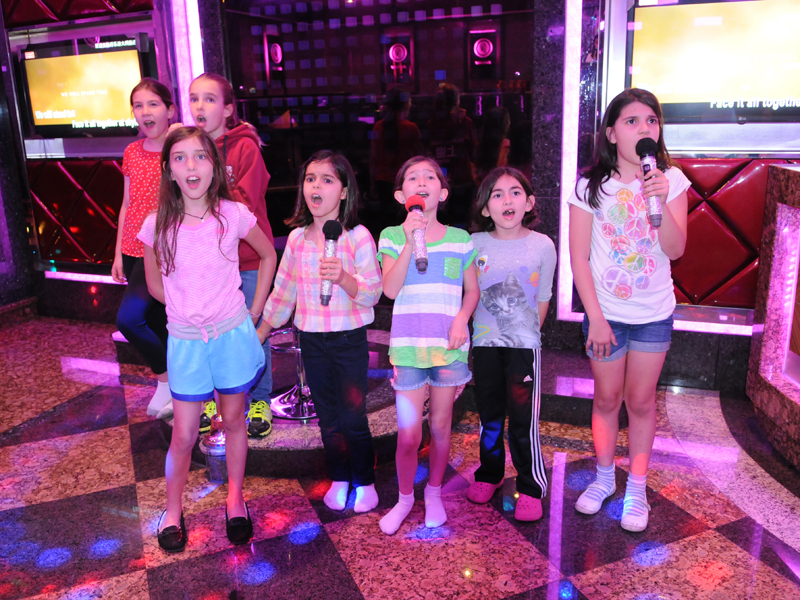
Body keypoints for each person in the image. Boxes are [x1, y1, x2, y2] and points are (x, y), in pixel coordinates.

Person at [138, 127, 277, 552]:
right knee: (183, 434)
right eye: (180, 158)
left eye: (200, 156)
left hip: (231, 335)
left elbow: (268, 253)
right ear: (169, 170)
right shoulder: (156, 225)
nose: (191, 166)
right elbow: (156, 286)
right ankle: (172, 511)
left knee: (234, 420)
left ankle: (235, 500)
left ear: (214, 166)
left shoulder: (232, 214)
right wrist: (189, 307)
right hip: (186, 341)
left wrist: (254, 310)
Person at [567, 89, 689, 532]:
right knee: (606, 399)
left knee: (640, 401)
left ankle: (636, 488)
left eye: (651, 121)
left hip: (653, 313)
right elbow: (579, 257)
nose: (644, 129)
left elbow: (675, 249)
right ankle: (604, 478)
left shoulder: (671, 180)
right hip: (607, 315)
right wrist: (596, 318)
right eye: (632, 121)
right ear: (611, 133)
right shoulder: (590, 186)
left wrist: (659, 196)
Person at [257, 150, 382, 514]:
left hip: (348, 340)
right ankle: (339, 478)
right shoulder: (297, 239)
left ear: (343, 192)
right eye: (311, 179)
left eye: (327, 180)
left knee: (353, 417)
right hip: (311, 341)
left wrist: (343, 277)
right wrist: (261, 331)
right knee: (327, 418)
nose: (316, 186)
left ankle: (365, 481)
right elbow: (283, 291)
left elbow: (373, 292)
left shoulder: (357, 236)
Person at [377, 156, 480, 535]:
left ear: (444, 192)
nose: (422, 182)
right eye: (412, 177)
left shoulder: (460, 239)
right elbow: (390, 289)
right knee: (409, 434)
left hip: (448, 350)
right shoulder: (391, 236)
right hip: (408, 350)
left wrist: (461, 319)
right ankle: (405, 499)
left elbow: (472, 291)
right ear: (400, 194)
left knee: (439, 427)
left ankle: (433, 493)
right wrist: (409, 240)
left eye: (430, 177)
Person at [466, 167, 556, 521]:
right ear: (485, 207)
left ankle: (531, 486)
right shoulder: (474, 244)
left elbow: (544, 297)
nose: (507, 200)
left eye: (515, 192)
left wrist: (527, 334)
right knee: (489, 416)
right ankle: (489, 474)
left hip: (523, 347)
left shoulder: (542, 245)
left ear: (529, 202)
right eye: (498, 194)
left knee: (522, 420)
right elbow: (469, 294)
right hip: (484, 345)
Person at [189, 72, 275, 436]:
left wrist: (204, 195)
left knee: (252, 331)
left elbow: (246, 204)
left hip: (249, 257)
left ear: (227, 109)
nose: (199, 106)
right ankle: (214, 399)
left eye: (209, 99)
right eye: (194, 98)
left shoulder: (244, 147)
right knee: (211, 330)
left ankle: (260, 400)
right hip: (209, 261)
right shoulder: (191, 149)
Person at [112, 78, 175, 419]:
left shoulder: (178, 148)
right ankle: (171, 386)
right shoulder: (131, 151)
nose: (145, 112)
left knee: (129, 319)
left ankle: (167, 380)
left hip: (164, 251)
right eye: (138, 105)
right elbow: (127, 203)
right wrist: (117, 253)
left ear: (169, 109)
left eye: (153, 104)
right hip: (133, 248)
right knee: (152, 320)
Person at [369, 88, 423, 228]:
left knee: (388, 223)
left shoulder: (378, 127)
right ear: (406, 104)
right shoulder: (411, 128)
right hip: (404, 181)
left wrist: (372, 183)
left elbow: (374, 157)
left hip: (383, 180)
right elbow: (419, 157)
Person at [426, 83, 477, 225]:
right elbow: (473, 151)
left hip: (440, 181)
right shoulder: (465, 121)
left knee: (441, 223)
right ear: (456, 100)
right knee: (462, 223)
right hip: (463, 178)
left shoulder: (431, 124)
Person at [475, 107, 511, 182]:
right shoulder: (505, 144)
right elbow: (500, 168)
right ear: (503, 124)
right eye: (508, 120)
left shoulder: (482, 142)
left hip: (482, 182)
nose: (509, 122)